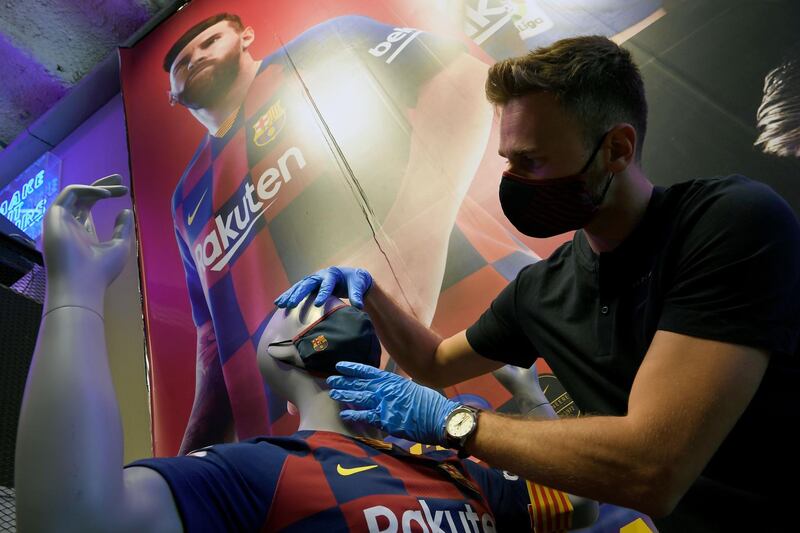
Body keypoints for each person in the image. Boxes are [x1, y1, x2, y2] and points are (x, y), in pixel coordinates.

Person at [277, 35, 800, 532]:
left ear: (617, 149)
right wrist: (372, 295)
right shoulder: (541, 292)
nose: (514, 181)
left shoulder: (727, 223)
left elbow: (653, 466)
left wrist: (453, 422)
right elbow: (434, 364)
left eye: (531, 161)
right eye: (508, 162)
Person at [14, 179, 599, 532]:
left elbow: (575, 505)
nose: (331, 297)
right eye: (298, 296)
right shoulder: (251, 473)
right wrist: (74, 291)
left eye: (341, 295)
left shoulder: (454, 465)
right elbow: (73, 519)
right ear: (272, 352)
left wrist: (527, 399)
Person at [163, 11, 544, 454]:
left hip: (471, 327)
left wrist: (402, 267)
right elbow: (213, 338)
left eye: (209, 41)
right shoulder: (185, 199)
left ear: (247, 35)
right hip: (308, 440)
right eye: (181, 61)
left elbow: (461, 80)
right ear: (171, 96)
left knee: (570, 498)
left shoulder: (319, 45)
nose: (196, 57)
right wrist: (192, 458)